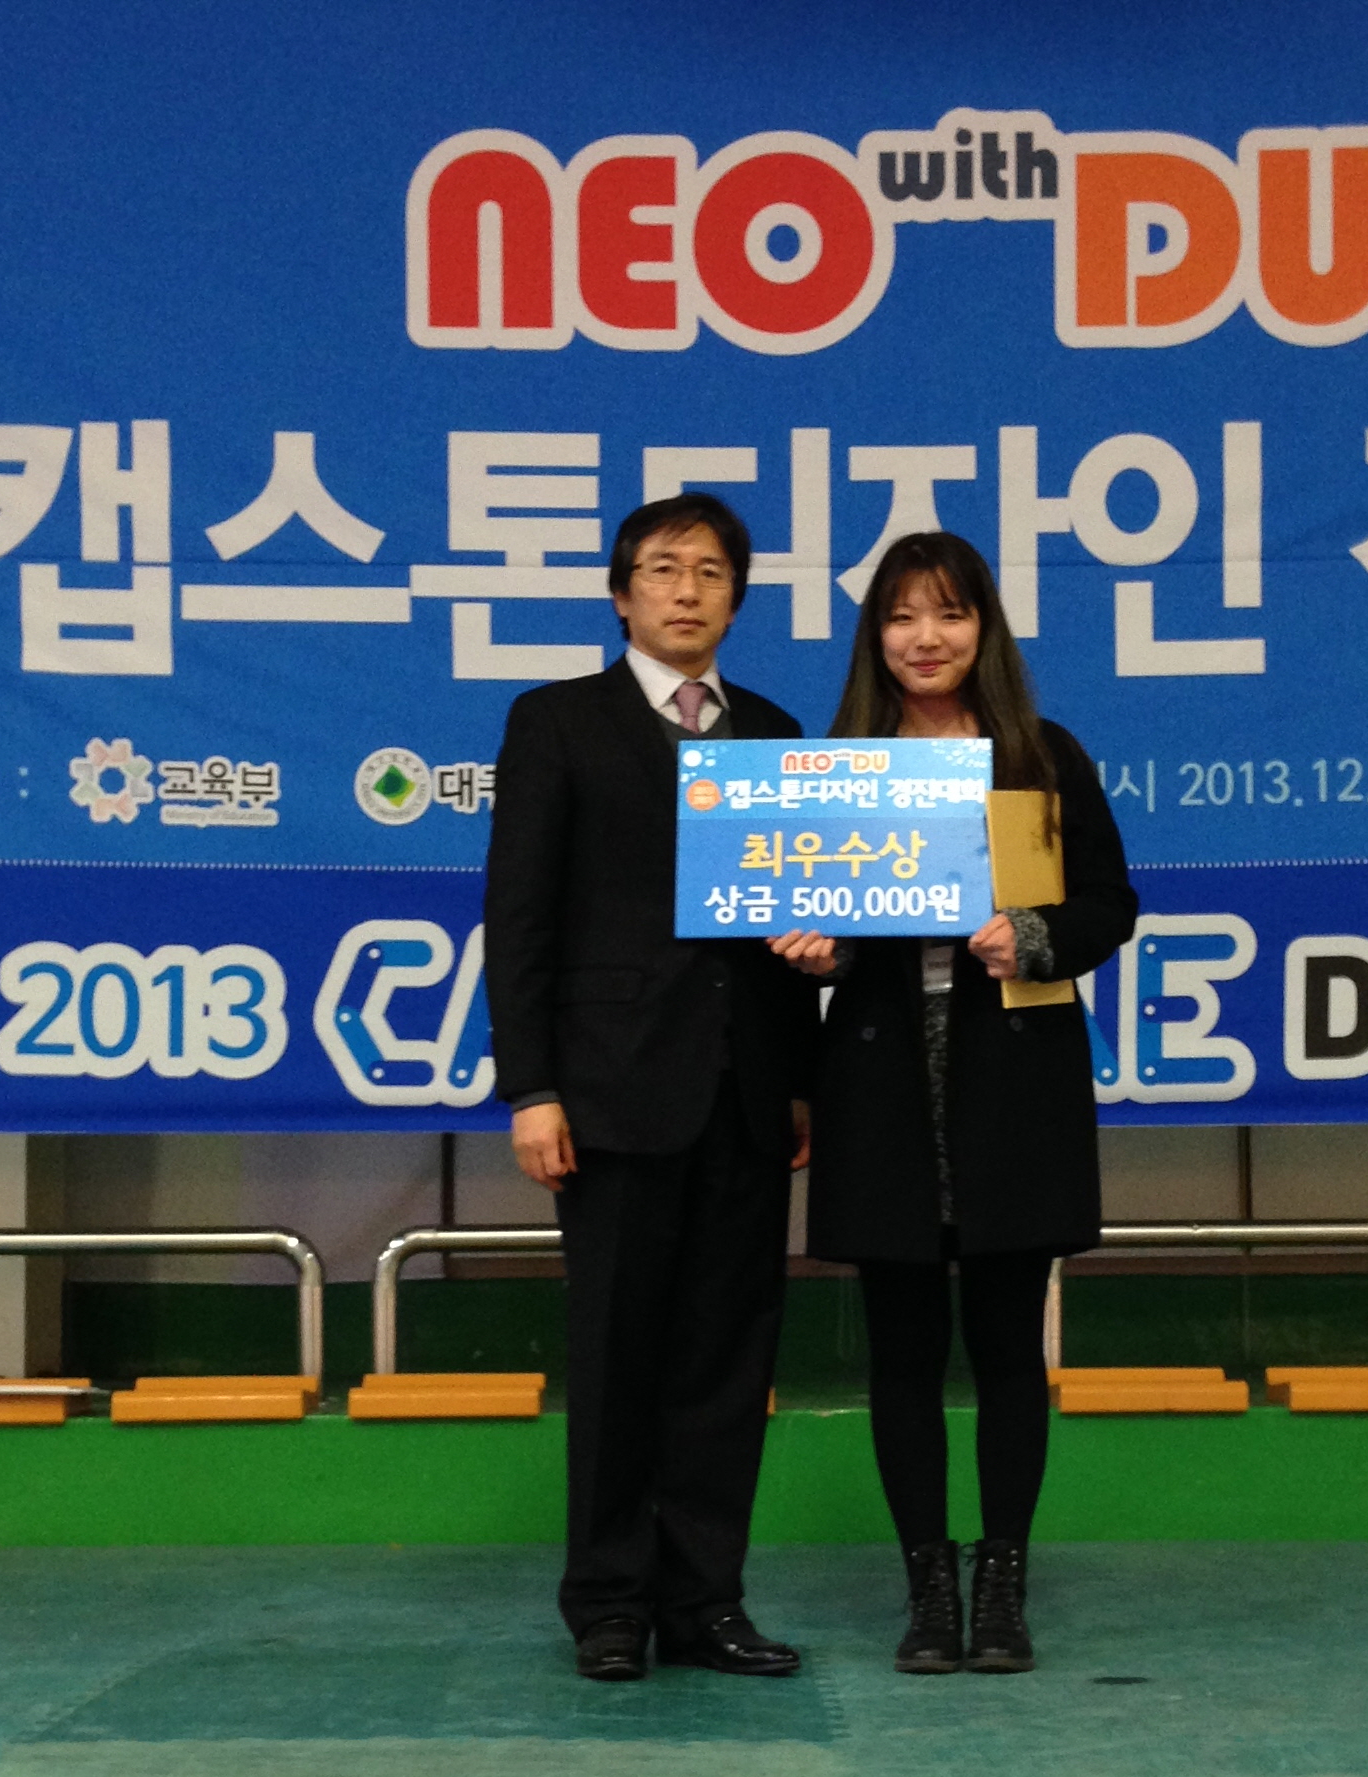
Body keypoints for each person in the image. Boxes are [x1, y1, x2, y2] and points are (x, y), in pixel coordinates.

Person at [769, 532, 1136, 1676]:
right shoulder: (840, 766)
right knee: (902, 1356)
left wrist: (1031, 933)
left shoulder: (1040, 754)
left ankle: (1003, 1582)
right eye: (901, 616)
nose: (925, 638)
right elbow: (803, 916)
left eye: (949, 613)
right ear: (873, 636)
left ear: (985, 627)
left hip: (1012, 1080)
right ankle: (927, 1585)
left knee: (1010, 1350)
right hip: (880, 1082)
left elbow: (1111, 903)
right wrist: (816, 952)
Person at [484, 492, 820, 1684]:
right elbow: (519, 918)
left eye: (712, 572)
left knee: (728, 1362)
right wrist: (531, 1087)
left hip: (747, 1095)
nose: (688, 590)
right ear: (620, 593)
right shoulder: (557, 721)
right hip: (611, 1094)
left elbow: (794, 913)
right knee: (619, 1356)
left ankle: (707, 1599)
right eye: (665, 569)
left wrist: (798, 1076)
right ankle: (610, 1603)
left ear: (738, 597)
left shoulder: (775, 732)